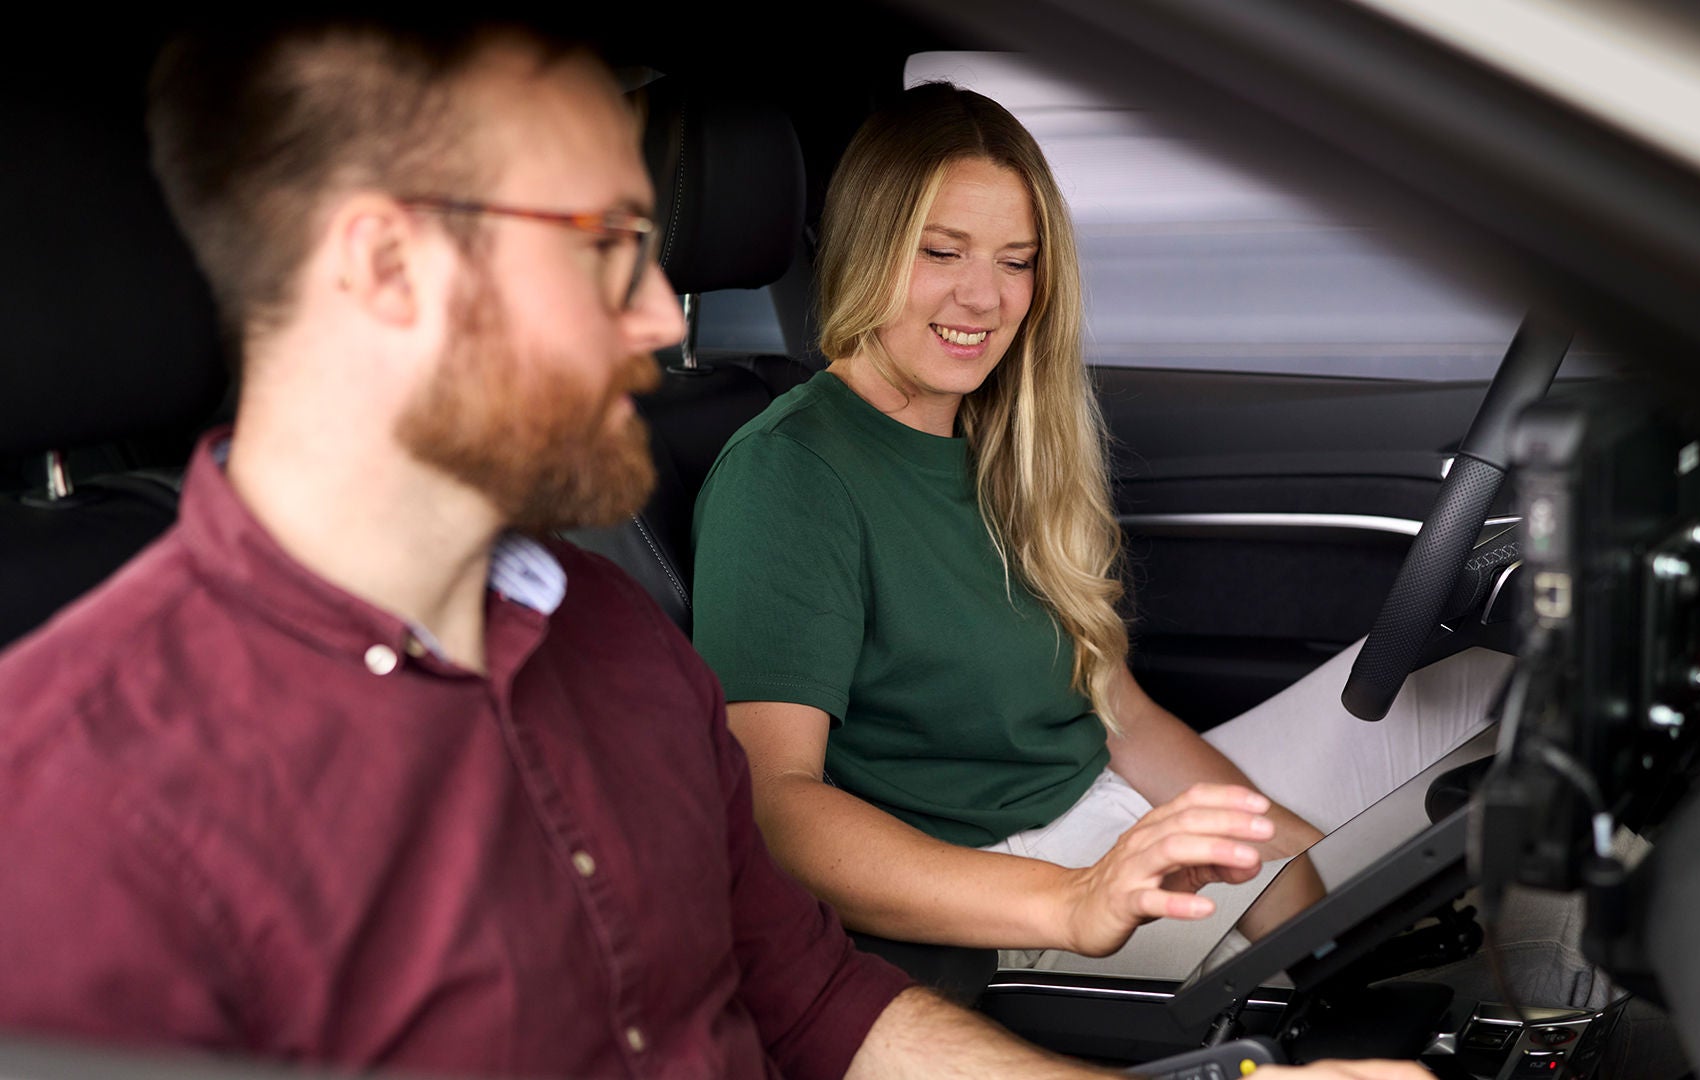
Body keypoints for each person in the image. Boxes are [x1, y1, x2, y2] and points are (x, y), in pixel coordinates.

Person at [0, 19, 1425, 1080]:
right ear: (382, 266)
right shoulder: (80, 815)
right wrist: (1062, 894)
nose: (666, 320)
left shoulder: (618, 648)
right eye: (605, 246)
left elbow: (822, 1008)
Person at [691, 82, 1513, 973]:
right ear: (864, 245)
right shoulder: (788, 473)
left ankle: (1550, 998)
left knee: (1498, 679)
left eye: (1017, 261)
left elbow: (1123, 718)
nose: (984, 297)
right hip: (1007, 888)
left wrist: (1285, 865)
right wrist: (1074, 899)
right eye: (942, 251)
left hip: (1115, 812)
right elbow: (776, 809)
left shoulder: (1004, 439)